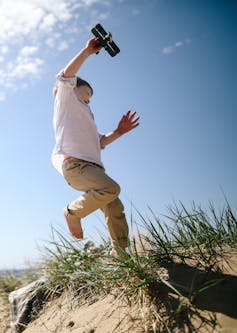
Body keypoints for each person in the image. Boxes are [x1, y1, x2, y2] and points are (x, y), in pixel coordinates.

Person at [51, 37, 140, 257]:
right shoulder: (66, 99)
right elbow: (65, 76)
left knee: (114, 206)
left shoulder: (85, 117)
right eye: (88, 94)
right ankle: (72, 213)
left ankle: (120, 255)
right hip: (75, 166)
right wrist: (87, 52)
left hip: (92, 169)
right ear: (75, 89)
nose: (90, 100)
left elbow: (100, 142)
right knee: (111, 189)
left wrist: (118, 132)